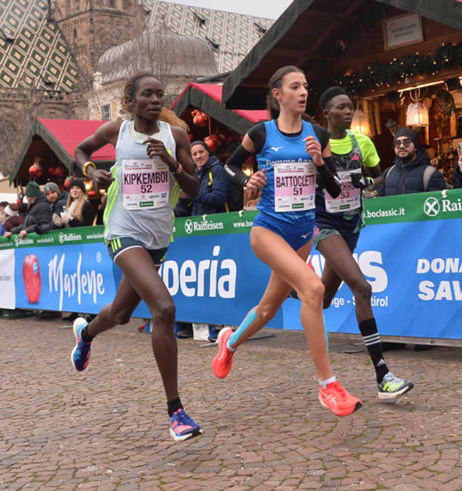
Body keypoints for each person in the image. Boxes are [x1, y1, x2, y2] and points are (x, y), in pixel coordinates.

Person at [213, 65, 362, 417]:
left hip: (302, 235)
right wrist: (248, 182)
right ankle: (329, 385)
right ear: (277, 94)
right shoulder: (261, 134)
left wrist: (318, 163)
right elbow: (230, 167)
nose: (303, 92)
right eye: (295, 87)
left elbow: (335, 190)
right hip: (267, 231)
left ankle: (229, 342)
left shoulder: (318, 136)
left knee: (267, 308)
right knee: (313, 289)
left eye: (306, 85)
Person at [69, 73, 203, 441]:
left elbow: (193, 189)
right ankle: (176, 412)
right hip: (122, 233)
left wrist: (173, 165)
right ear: (130, 100)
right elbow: (81, 151)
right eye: (148, 94)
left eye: (161, 95)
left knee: (122, 312)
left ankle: (86, 333)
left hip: (159, 237)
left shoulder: (175, 137)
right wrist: (91, 171)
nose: (156, 100)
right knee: (164, 308)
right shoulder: (118, 131)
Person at [312, 85, 414, 401]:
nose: (348, 111)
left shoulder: (362, 142)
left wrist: (367, 182)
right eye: (341, 107)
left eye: (351, 106)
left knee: (322, 298)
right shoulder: (316, 143)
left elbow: (379, 175)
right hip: (324, 226)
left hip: (352, 226)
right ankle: (383, 375)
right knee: (362, 287)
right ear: (326, 113)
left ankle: (291, 289)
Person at [375, 127, 448, 196]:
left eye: (406, 142)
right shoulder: (388, 173)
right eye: (397, 143)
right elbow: (379, 203)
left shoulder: (430, 174)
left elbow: (439, 205)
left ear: (415, 146)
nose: (401, 146)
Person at [187, 141, 236, 216]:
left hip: (216, 222)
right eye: (194, 154)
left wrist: (195, 195)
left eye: (201, 152)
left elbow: (219, 198)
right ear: (191, 157)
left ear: (208, 152)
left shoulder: (218, 170)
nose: (198, 156)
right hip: (197, 223)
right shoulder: (194, 174)